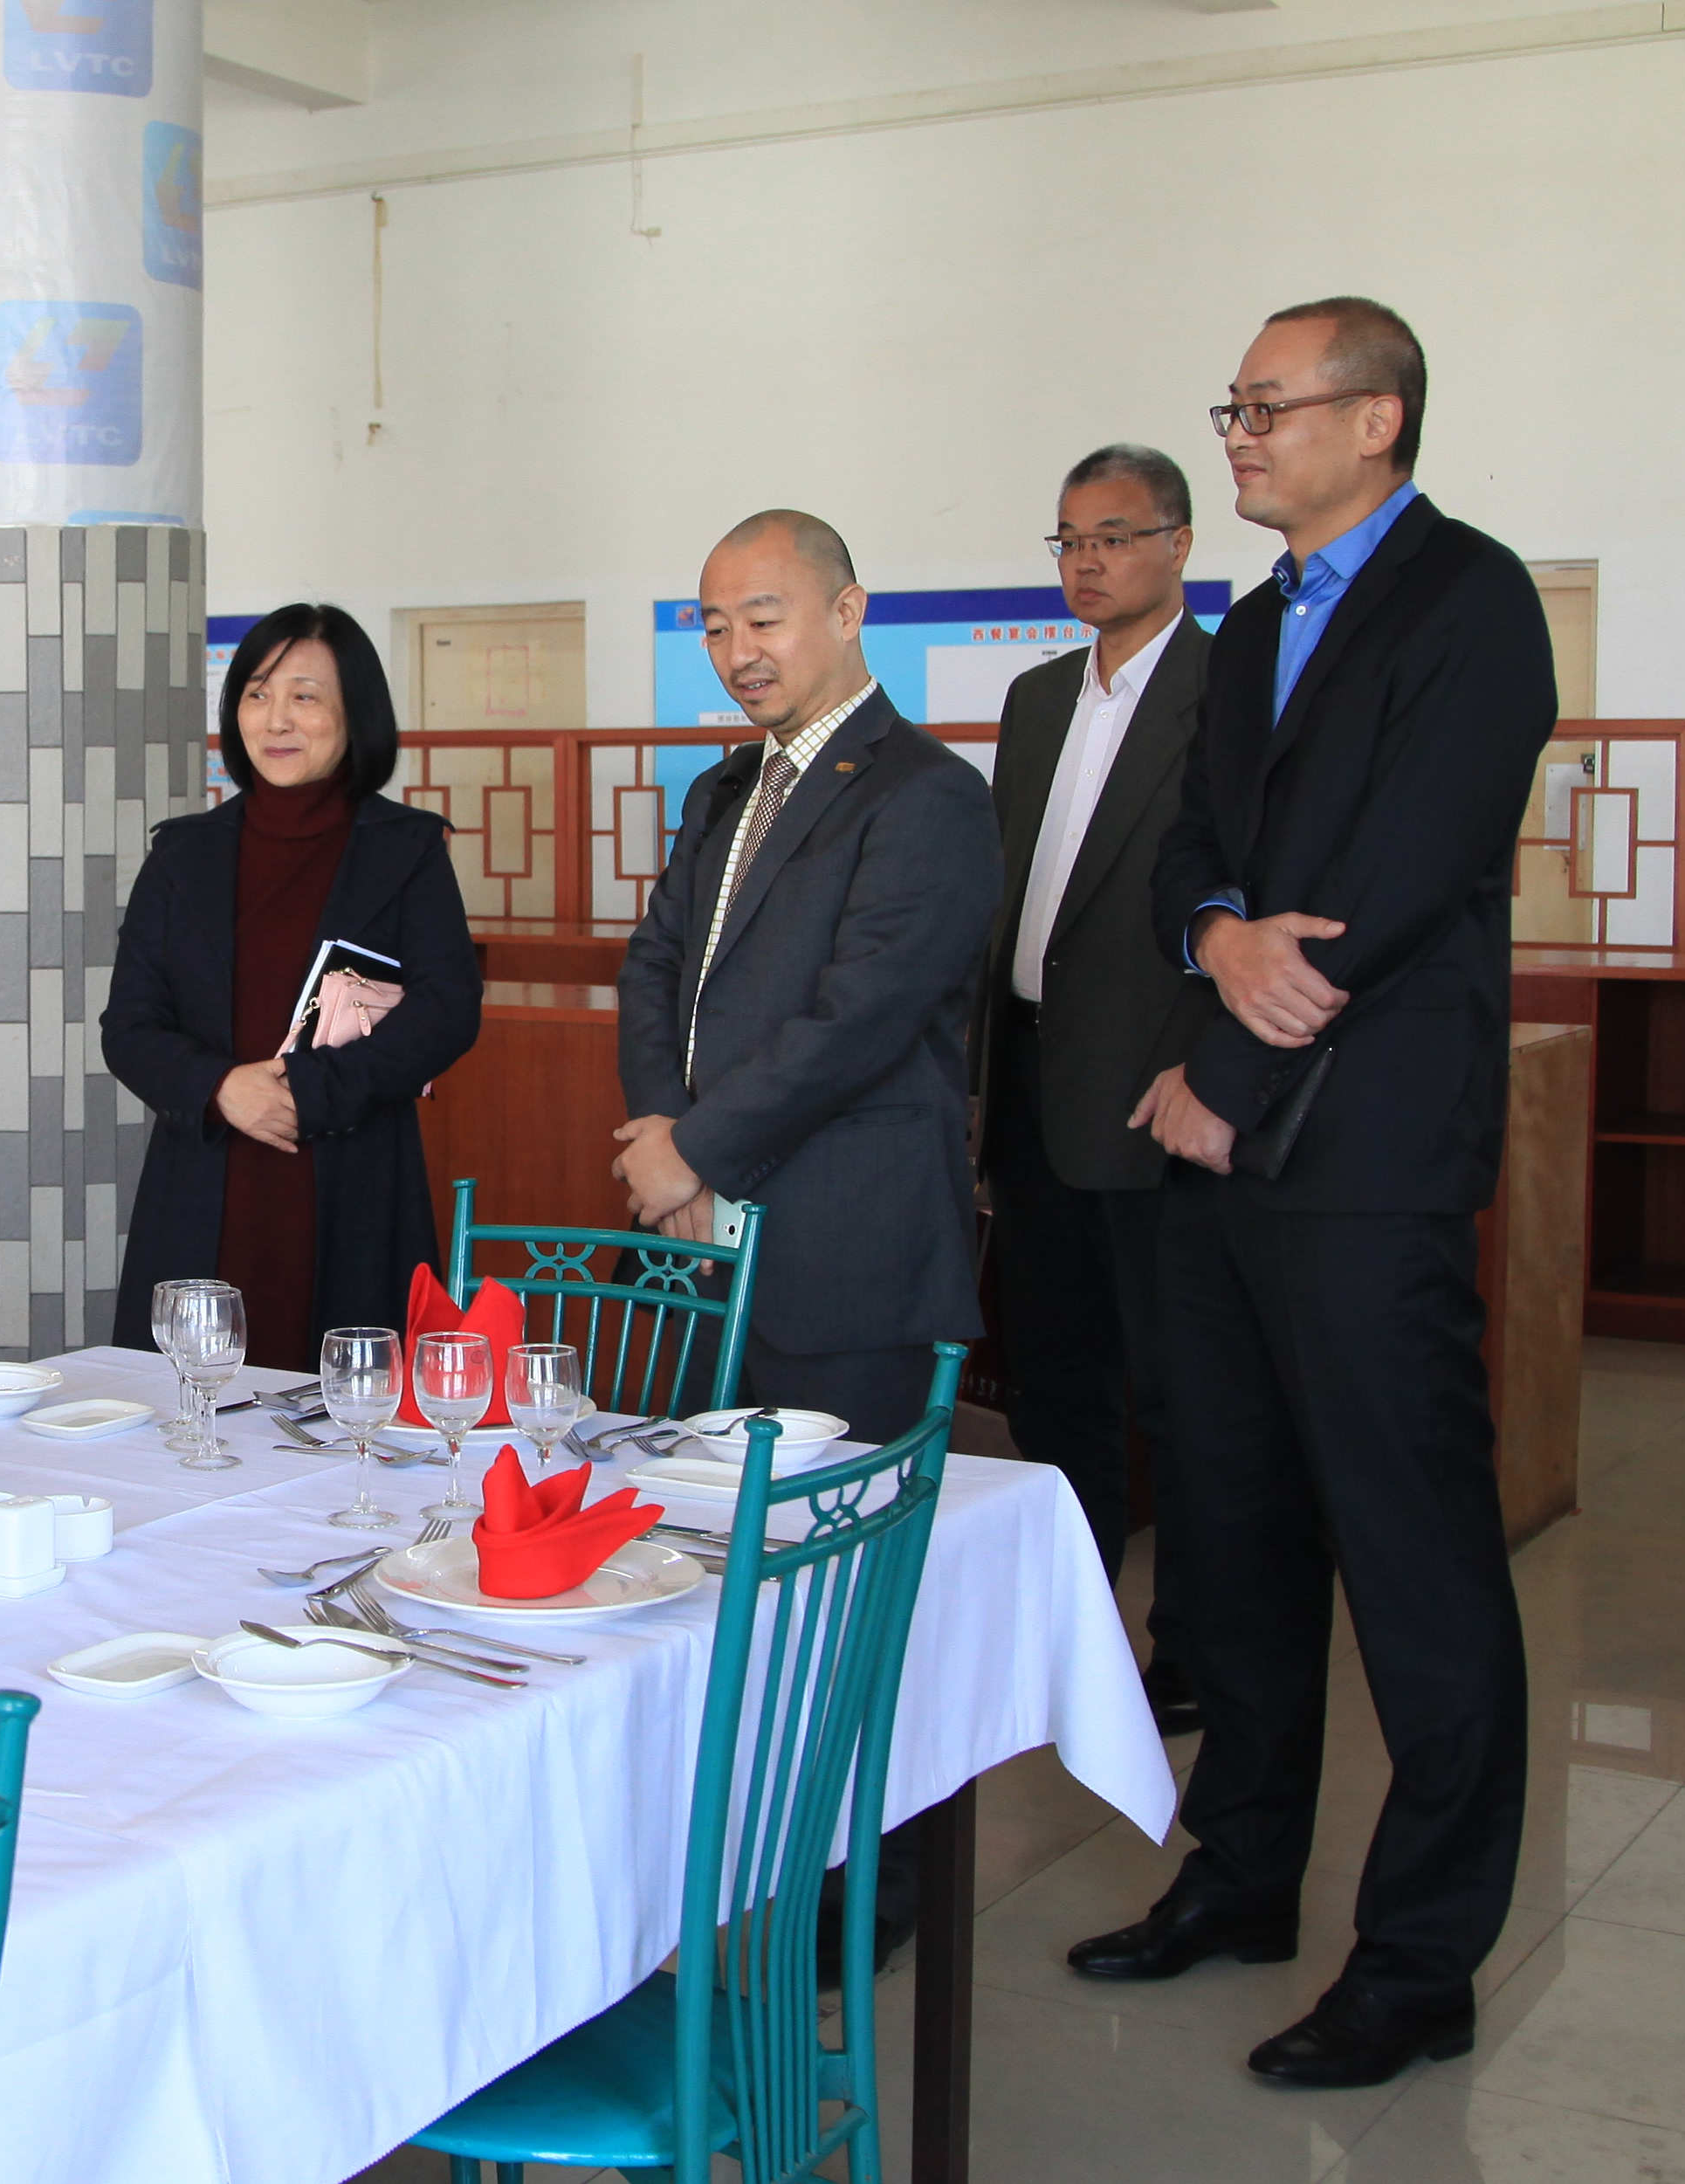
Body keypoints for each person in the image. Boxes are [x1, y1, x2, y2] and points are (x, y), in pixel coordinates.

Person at [1069, 298, 1554, 2091]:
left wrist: (1227, 1077)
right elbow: (1197, 849)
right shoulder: (1258, 620)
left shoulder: (1471, 600)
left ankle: (1421, 1956)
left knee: (1413, 1560)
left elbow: (1403, 876)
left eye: (1269, 406)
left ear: (1378, 419)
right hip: (1225, 1140)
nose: (1241, 434)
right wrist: (1209, 935)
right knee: (1233, 1530)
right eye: (1236, 405)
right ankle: (1243, 1870)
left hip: (1363, 1153)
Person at [612, 510, 999, 1446]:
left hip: (845, 1253)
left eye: (762, 619)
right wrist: (665, 1137)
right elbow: (653, 965)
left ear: (847, 611)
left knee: (835, 1527)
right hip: (696, 1242)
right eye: (714, 628)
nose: (737, 652)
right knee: (694, 1514)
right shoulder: (722, 789)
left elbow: (861, 1017)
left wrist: (695, 1149)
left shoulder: (927, 791)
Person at [977, 444, 1217, 1740]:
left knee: (1175, 1389)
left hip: (1153, 1089)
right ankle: (1069, 1630)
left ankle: (1190, 1644)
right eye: (1070, 540)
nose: (1088, 562)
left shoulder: (1224, 691)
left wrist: (1203, 1067)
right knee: (1053, 1378)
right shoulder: (1033, 699)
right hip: (1030, 1083)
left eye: (1115, 536)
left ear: (1177, 543)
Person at [102, 603, 480, 1370]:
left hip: (353, 1173)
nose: (275, 719)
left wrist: (309, 1091)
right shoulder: (182, 856)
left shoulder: (406, 850)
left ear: (354, 713)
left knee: (352, 1406)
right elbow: (129, 1027)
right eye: (257, 694)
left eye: (304, 696)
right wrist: (220, 1088)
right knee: (190, 1400)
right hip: (206, 1175)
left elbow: (446, 1010)